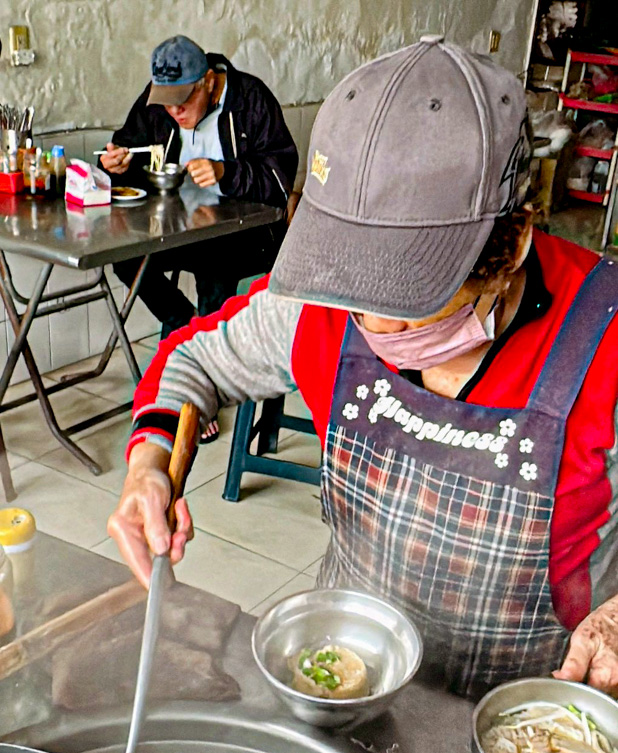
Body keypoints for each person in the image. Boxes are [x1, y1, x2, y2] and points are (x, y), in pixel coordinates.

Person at [108, 36, 618, 698]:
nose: (373, 328)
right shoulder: (322, 307)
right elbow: (193, 358)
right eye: (356, 293)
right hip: (344, 685)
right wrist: (149, 467)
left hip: (522, 719)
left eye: (412, 298)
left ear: (512, 242)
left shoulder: (603, 332)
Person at [101, 34, 298, 340]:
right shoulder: (158, 105)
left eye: (182, 100)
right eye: (166, 102)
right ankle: (183, 323)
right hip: (180, 227)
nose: (174, 111)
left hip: (246, 233)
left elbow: (279, 180)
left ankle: (210, 353)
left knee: (215, 270)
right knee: (125, 257)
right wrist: (118, 165)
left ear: (208, 81)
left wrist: (225, 172)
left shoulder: (251, 98)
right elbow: (130, 148)